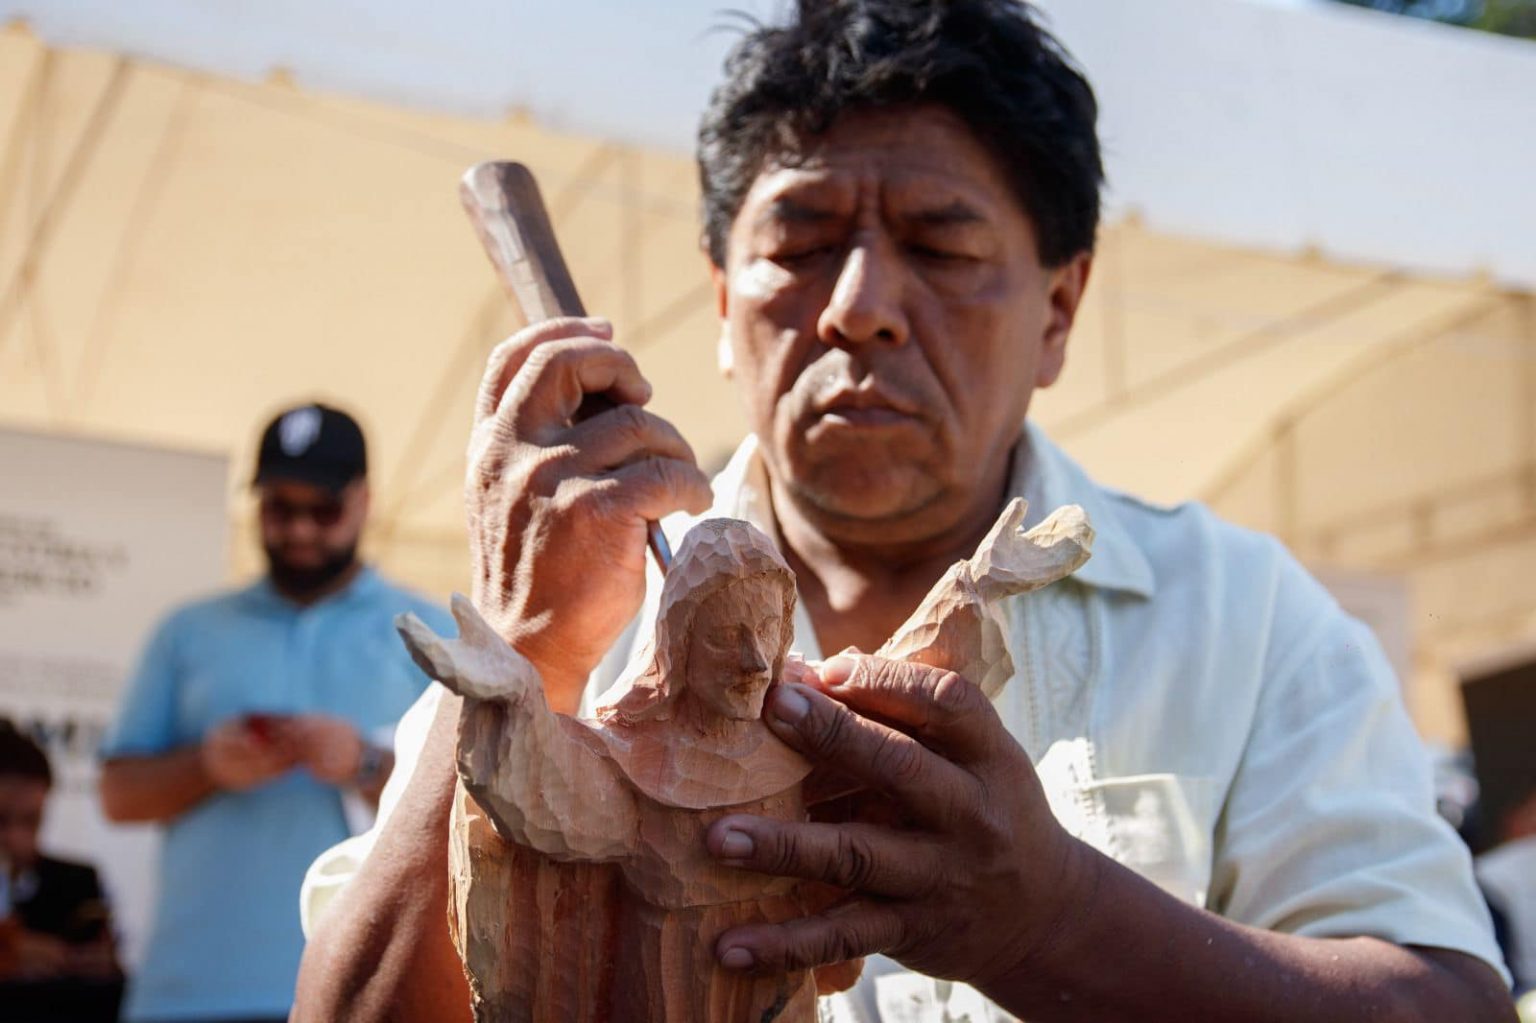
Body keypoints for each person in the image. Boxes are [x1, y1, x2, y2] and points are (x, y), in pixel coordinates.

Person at [292, 2, 1517, 1020]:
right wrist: (524, 654)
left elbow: (1446, 1003)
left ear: (1058, 309)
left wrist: (1053, 921)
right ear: (721, 303)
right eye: (804, 241)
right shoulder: (567, 603)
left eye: (940, 243)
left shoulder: (1242, 621)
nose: (861, 306)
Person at [99, 402, 451, 1023]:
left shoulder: (429, 632)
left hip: (368, 995)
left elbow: (478, 810)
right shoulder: (186, 632)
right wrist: (208, 765)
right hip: (190, 995)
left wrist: (366, 763)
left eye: (323, 509)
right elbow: (118, 796)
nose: (300, 529)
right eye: (280, 508)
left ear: (365, 502)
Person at [0, 718, 123, 1023]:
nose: (16, 836)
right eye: (1, 820)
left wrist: (100, 966)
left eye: (31, 821)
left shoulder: (76, 881)